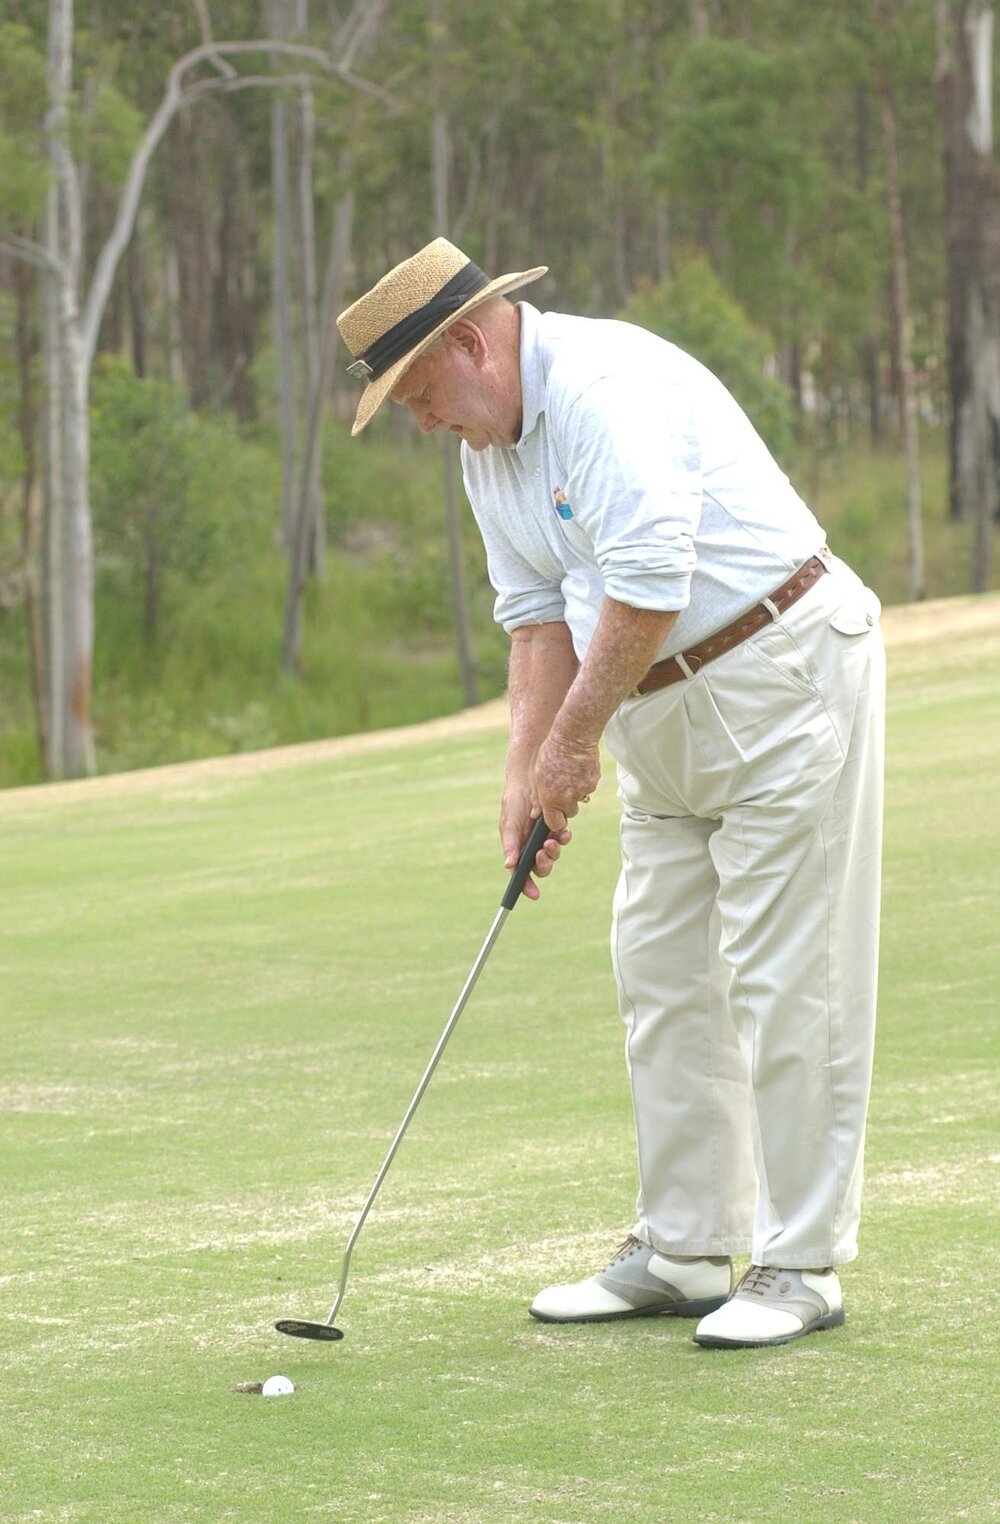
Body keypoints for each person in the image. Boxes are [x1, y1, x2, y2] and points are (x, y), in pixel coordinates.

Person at [336, 238, 885, 1350]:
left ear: (470, 342)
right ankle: (684, 1250)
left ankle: (801, 1263)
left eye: (419, 393)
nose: (421, 421)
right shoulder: (487, 448)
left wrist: (570, 751)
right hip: (652, 708)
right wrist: (521, 773)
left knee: (791, 975)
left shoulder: (603, 391)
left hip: (779, 673)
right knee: (658, 965)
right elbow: (538, 616)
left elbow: (645, 587)